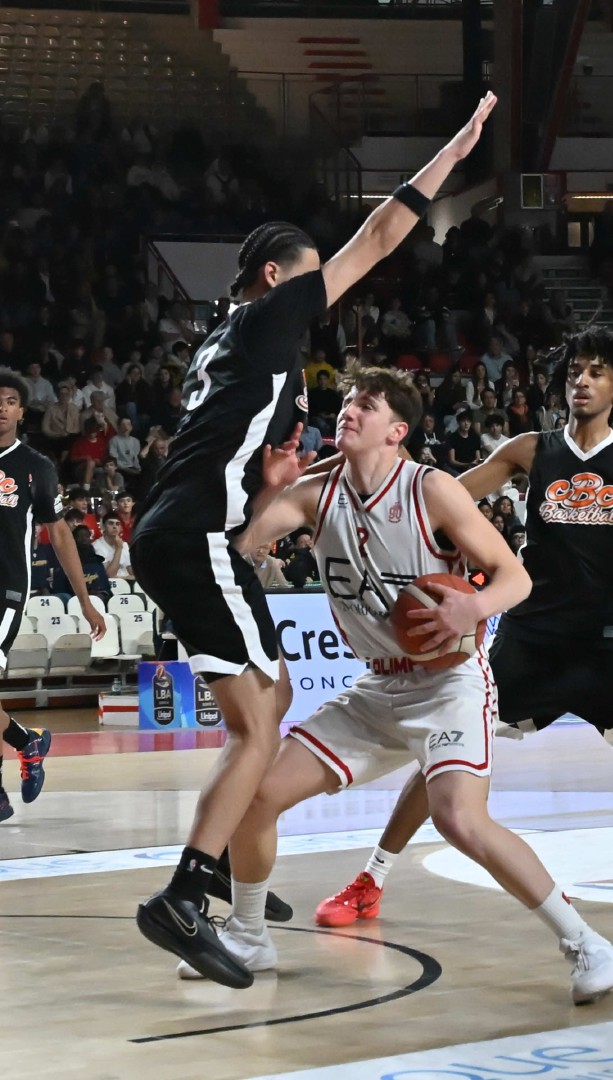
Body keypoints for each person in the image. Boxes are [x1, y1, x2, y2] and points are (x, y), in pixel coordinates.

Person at [131, 91, 501, 988]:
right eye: (306, 276)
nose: (320, 290)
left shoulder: (228, 343)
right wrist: (448, 155)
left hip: (185, 528)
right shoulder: (268, 317)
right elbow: (376, 238)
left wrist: (267, 469)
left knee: (274, 691)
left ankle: (217, 860)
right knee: (259, 725)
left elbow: (237, 449)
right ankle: (187, 892)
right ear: (274, 278)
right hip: (194, 537)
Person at [189, 362, 613, 1004]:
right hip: (376, 690)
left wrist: (471, 609)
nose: (349, 410)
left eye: (366, 404)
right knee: (256, 797)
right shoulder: (316, 492)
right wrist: (269, 487)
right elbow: (245, 546)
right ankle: (251, 936)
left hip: (450, 683)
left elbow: (515, 577)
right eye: (346, 401)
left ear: (396, 430)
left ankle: (588, 944)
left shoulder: (431, 489)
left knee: (458, 817)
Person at [308, 330, 613, 936]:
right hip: (531, 637)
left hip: (606, 640)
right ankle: (372, 878)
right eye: (575, 370)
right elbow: (444, 493)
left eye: (596, 372)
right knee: (446, 758)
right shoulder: (530, 449)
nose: (582, 380)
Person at [0, 371, 106, 823]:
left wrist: (83, 599)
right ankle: (28, 742)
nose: (1, 406)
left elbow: (59, 534)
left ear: (22, 411)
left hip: (4, 590)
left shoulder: (35, 467)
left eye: (9, 400)